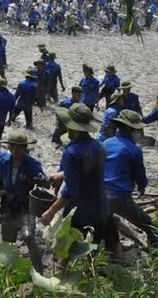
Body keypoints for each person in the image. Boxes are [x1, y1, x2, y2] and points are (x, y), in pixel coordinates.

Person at [41, 103, 120, 262]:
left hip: (80, 212)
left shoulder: (71, 152)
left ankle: (60, 278)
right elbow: (87, 173)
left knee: (62, 254)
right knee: (95, 254)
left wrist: (50, 211)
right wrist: (62, 174)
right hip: (102, 208)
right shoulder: (99, 146)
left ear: (73, 127)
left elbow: (71, 192)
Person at [0, 131, 45, 271]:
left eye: (19, 147)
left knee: (28, 237)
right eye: (12, 146)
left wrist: (41, 181)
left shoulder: (32, 164)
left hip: (25, 208)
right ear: (9, 147)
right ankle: (6, 272)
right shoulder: (4, 161)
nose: (15, 150)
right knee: (7, 242)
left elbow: (43, 180)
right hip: (8, 207)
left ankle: (39, 270)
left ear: (25, 148)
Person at [104, 110, 158, 249]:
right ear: (131, 129)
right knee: (153, 228)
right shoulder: (134, 150)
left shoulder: (105, 143)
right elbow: (140, 177)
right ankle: (156, 258)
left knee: (109, 222)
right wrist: (142, 187)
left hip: (99, 195)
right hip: (119, 198)